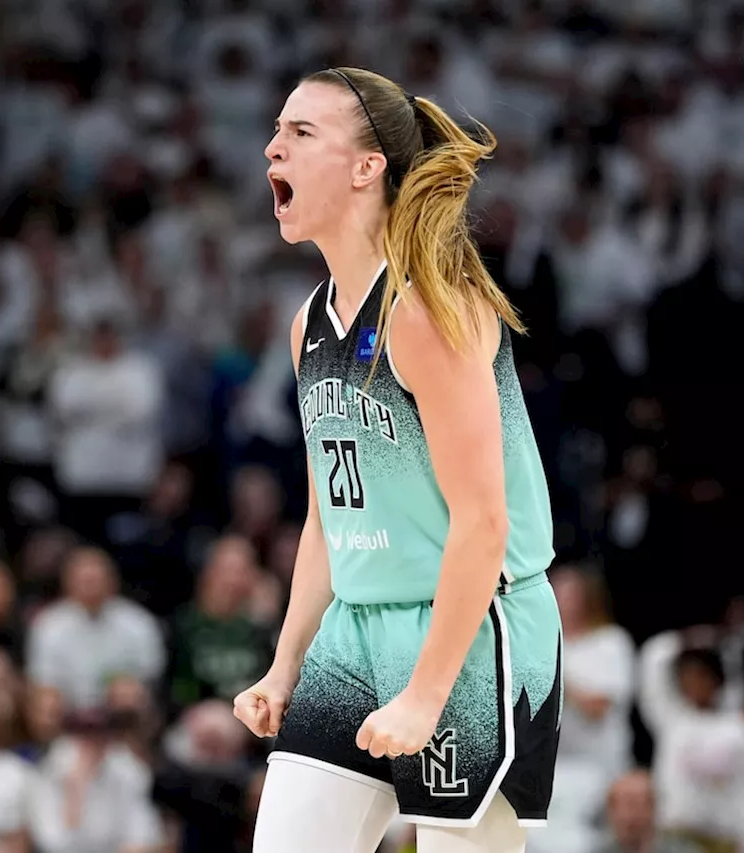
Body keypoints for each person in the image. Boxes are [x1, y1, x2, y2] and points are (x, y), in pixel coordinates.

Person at [232, 67, 559, 853]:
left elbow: (485, 522)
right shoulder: (308, 323)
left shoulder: (429, 308)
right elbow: (327, 518)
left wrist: (426, 692)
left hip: (473, 628)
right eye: (275, 130)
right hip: (355, 629)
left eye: (301, 132)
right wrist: (285, 665)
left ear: (366, 166)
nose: (273, 146)